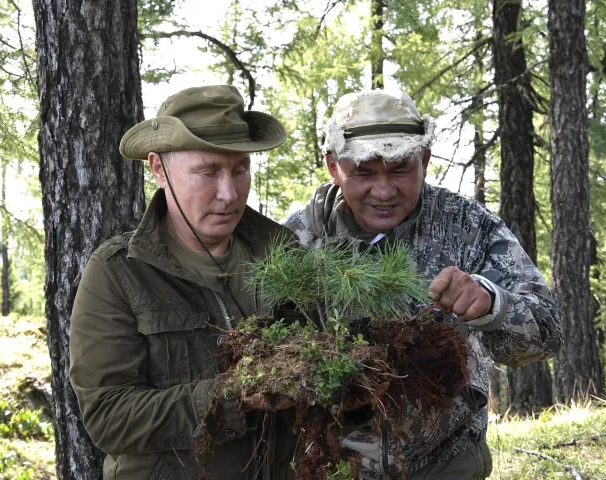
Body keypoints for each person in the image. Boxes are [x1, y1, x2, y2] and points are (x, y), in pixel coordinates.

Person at [283, 90, 564, 479]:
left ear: (425, 161)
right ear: (334, 167)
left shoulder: (467, 227)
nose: (383, 191)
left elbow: (547, 332)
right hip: (332, 466)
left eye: (399, 169)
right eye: (363, 171)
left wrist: (491, 304)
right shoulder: (297, 241)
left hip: (444, 462)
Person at [69, 85, 297, 480]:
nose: (229, 193)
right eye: (208, 171)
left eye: (240, 169)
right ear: (159, 169)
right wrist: (232, 397)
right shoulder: (118, 272)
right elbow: (108, 417)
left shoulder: (283, 253)